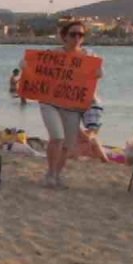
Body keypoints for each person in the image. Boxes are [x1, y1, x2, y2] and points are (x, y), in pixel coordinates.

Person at [25, 20, 104, 188]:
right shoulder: (53, 54)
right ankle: (49, 174)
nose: (77, 38)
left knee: (68, 144)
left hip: (73, 104)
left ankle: (56, 174)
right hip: (50, 102)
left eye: (80, 34)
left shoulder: (89, 55)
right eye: (73, 34)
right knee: (57, 137)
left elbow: (97, 75)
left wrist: (97, 72)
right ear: (64, 37)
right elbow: (31, 65)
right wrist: (26, 65)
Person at [74, 97, 107, 162]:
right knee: (89, 134)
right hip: (89, 101)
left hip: (89, 101)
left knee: (91, 134)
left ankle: (104, 158)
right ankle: (102, 156)